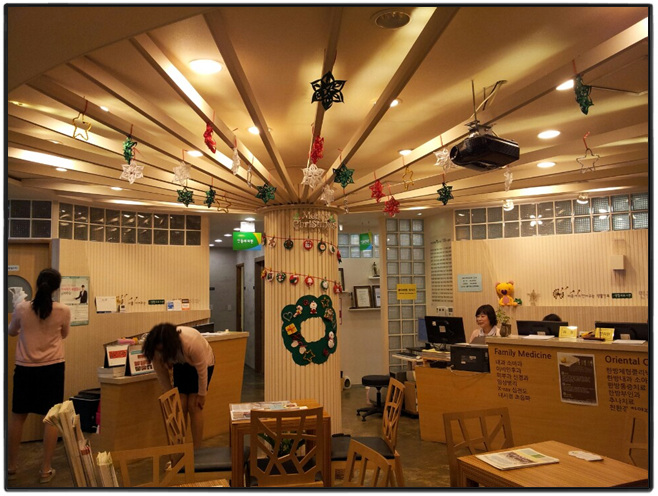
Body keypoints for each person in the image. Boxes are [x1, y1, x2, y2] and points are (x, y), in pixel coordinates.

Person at [8, 268, 71, 483]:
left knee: (18, 416)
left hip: (25, 368)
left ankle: (11, 466)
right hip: (53, 368)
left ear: (37, 284)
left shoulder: (21, 308)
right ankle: (45, 470)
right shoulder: (63, 310)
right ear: (56, 288)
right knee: (51, 417)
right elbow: (64, 334)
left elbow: (11, 331)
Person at [143, 323, 215, 448]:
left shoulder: (191, 342)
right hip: (181, 364)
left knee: (194, 405)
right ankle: (180, 450)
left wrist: (202, 394)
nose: (160, 353)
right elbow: (162, 374)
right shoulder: (155, 348)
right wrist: (171, 395)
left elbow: (202, 370)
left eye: (163, 350)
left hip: (203, 364)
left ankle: (198, 451)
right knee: (180, 406)